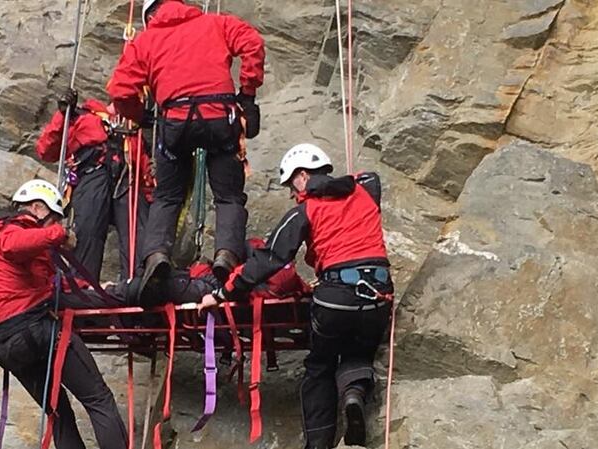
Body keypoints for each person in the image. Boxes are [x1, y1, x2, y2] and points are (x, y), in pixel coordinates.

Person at [200, 144, 393, 448]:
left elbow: (268, 259)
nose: (293, 193)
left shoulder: (304, 211)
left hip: (335, 298)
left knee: (320, 365)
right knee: (359, 349)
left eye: (292, 185)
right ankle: (354, 393)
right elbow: (369, 178)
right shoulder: (365, 190)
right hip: (378, 296)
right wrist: (338, 184)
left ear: (303, 176)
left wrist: (223, 292)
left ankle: (318, 443)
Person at [107, 0, 266, 285]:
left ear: (150, 15)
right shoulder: (215, 23)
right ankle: (227, 254)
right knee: (228, 196)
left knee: (167, 197)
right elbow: (252, 42)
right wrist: (248, 93)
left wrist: (138, 115)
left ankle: (156, 255)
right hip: (219, 117)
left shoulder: (145, 41)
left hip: (175, 122)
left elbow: (120, 90)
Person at [0, 179, 128, 449]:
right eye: (54, 218)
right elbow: (14, 244)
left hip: (3, 345)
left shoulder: (9, 247)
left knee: (58, 414)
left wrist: (90, 288)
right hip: (33, 328)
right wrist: (59, 234)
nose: (56, 224)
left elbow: (50, 283)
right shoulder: (11, 230)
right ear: (38, 208)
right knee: (98, 398)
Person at [36, 88, 151, 284]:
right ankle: (83, 286)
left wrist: (151, 196)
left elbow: (143, 171)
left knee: (137, 237)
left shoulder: (135, 133)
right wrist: (63, 115)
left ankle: (135, 286)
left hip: (127, 182)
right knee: (88, 233)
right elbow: (46, 150)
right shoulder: (83, 116)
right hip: (93, 176)